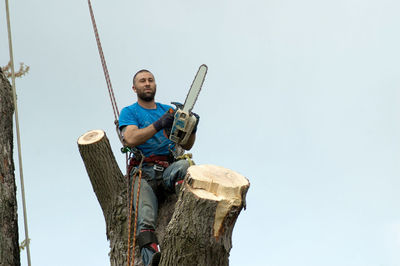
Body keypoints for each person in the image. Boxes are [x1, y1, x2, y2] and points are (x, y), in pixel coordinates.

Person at [118, 69, 198, 266]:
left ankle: (187, 211)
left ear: (155, 85)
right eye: (142, 81)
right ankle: (151, 259)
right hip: (143, 172)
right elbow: (130, 138)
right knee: (145, 220)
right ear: (134, 87)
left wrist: (191, 128)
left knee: (185, 166)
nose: (147, 84)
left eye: (150, 80)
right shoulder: (130, 112)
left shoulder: (167, 111)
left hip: (168, 168)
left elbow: (186, 144)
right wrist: (159, 124)